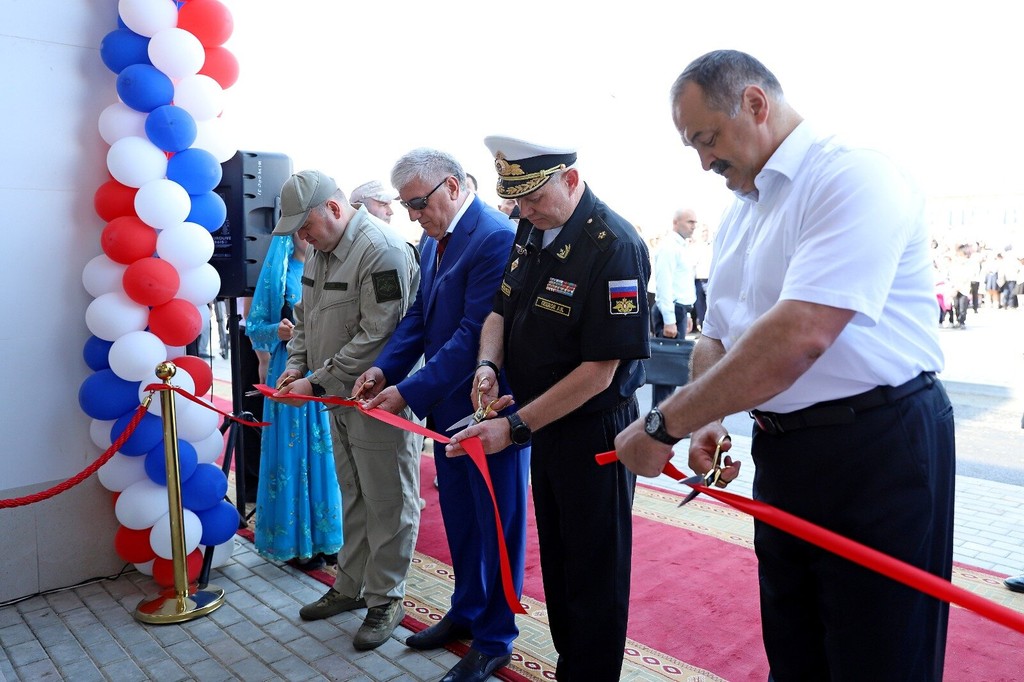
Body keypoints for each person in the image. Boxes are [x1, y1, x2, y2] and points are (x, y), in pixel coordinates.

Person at [614, 50, 955, 681]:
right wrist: (707, 416)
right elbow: (715, 332)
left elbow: (801, 334)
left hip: (877, 450)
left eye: (707, 139)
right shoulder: (747, 204)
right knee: (797, 651)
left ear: (755, 103)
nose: (704, 161)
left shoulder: (853, 175)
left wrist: (662, 424)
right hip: (787, 454)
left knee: (880, 658)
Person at [448, 135, 652, 681]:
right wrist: (487, 366)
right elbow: (499, 310)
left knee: (596, 572)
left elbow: (600, 371)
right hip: (547, 423)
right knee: (561, 564)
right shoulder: (531, 226)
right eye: (518, 201)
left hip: (595, 431)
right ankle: (572, 667)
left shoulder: (614, 245)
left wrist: (515, 428)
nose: (525, 211)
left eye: (533, 197)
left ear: (570, 179)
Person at [355, 148, 530, 682]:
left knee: (498, 524)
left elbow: (471, 334)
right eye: (406, 207)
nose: (412, 215)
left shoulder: (494, 236)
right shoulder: (435, 240)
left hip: (486, 407)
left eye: (417, 203)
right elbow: (419, 318)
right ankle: (466, 610)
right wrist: (387, 371)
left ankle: (497, 636)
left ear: (452, 187)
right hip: (444, 406)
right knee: (459, 517)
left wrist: (408, 391)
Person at [267, 169, 422, 651]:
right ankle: (350, 586)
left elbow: (380, 336)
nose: (301, 237)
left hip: (379, 399)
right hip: (336, 396)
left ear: (334, 208)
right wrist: (295, 370)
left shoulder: (383, 249)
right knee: (354, 492)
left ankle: (386, 598)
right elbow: (306, 323)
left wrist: (316, 380)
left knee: (389, 499)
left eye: (305, 226)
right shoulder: (321, 250)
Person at [246, 232, 342, 570]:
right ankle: (296, 543)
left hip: (327, 369)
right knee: (290, 452)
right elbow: (254, 326)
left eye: (310, 227)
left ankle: (330, 538)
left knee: (329, 454)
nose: (308, 237)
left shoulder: (332, 266)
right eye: (301, 230)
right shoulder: (279, 272)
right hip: (288, 371)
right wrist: (278, 330)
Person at [650, 208, 698, 405]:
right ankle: (659, 421)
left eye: (695, 222)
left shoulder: (682, 246)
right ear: (675, 222)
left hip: (679, 309)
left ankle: (664, 419)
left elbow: (683, 282)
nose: (693, 226)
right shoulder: (669, 247)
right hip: (670, 310)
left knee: (670, 370)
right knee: (665, 371)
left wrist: (687, 314)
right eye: (689, 222)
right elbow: (664, 285)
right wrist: (670, 320)